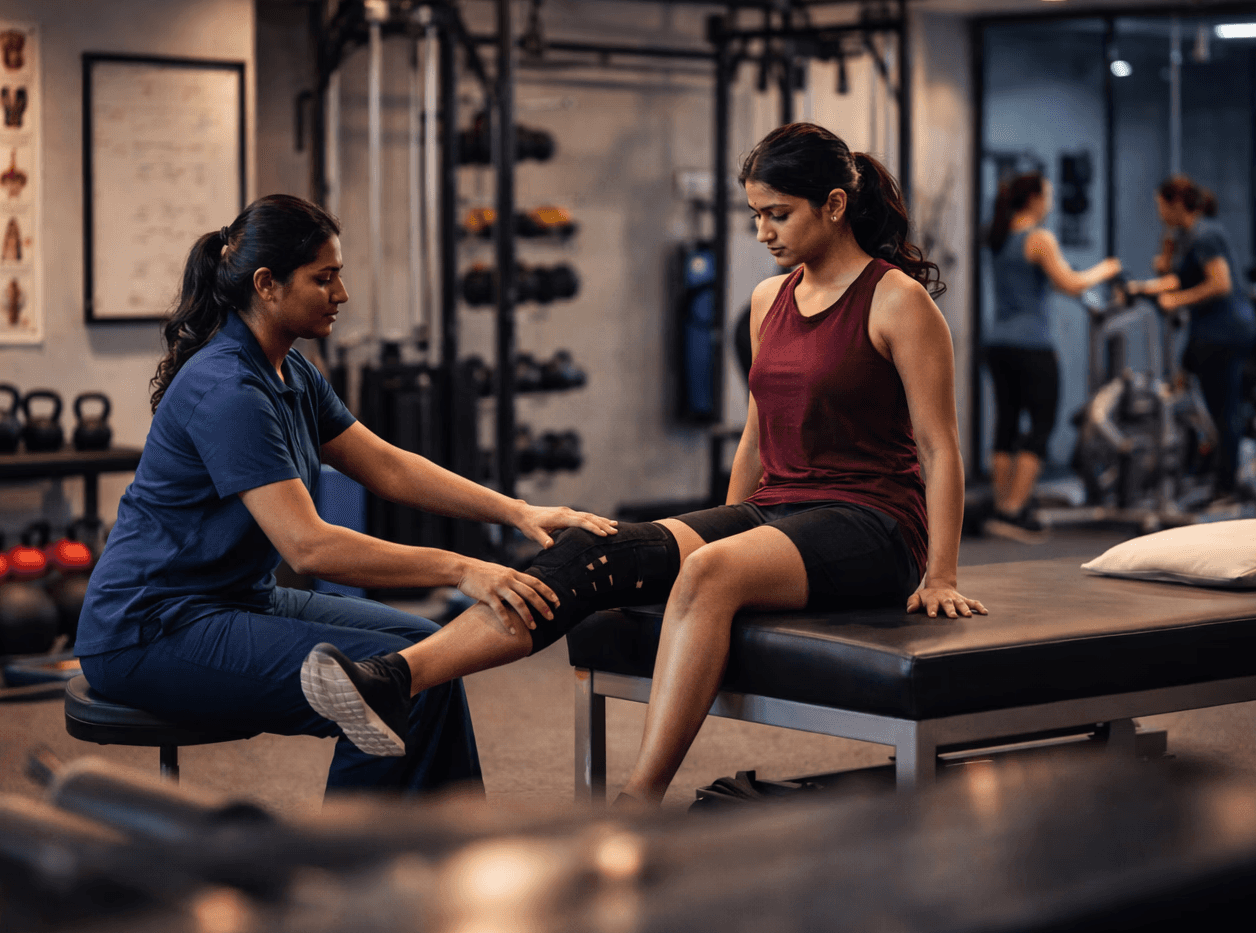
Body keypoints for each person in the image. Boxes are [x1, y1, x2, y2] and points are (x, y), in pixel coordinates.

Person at [302, 123, 987, 807]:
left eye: (778, 214)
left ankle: (638, 801)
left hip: (875, 525)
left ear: (834, 205)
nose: (762, 234)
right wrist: (734, 525)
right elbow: (756, 433)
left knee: (709, 570)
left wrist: (941, 574)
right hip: (781, 508)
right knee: (593, 547)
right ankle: (393, 679)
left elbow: (940, 446)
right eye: (755, 215)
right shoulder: (767, 301)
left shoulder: (897, 300)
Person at [75, 194, 616, 795]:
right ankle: (346, 871)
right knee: (373, 682)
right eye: (323, 278)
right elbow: (308, 547)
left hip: (236, 600)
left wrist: (516, 511)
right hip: (152, 629)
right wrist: (461, 568)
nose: (342, 294)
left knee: (429, 655)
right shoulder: (227, 387)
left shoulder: (291, 370)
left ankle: (447, 855)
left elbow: (387, 466)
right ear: (267, 285)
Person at [982, 172, 1121, 542]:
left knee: (1006, 424)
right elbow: (1070, 283)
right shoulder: (1038, 238)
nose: (1052, 201)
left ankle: (1002, 506)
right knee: (1042, 425)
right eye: (1049, 194)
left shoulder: (997, 235)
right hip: (1033, 345)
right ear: (1034, 199)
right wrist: (1106, 269)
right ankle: (1014, 510)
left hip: (999, 343)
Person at [1128, 175, 1256, 504]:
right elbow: (1177, 278)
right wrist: (1143, 287)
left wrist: (1177, 300)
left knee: (1224, 411)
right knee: (1211, 406)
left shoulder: (1206, 233)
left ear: (1177, 204)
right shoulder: (1189, 236)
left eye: (1161, 206)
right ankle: (1217, 477)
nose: (1158, 214)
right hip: (1210, 335)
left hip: (1226, 334)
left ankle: (1227, 488)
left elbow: (1220, 284)